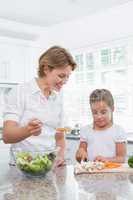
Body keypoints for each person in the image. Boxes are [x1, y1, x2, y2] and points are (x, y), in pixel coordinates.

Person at [3, 45, 77, 167]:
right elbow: (7, 135)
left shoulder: (57, 98)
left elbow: (59, 136)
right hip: (22, 168)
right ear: (46, 69)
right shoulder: (19, 92)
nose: (65, 81)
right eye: (61, 76)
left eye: (67, 76)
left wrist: (60, 156)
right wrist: (28, 130)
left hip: (48, 166)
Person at [76, 89, 127, 163]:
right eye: (95, 112)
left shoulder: (118, 131)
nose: (99, 116)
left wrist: (107, 160)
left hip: (111, 172)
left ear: (112, 109)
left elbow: (121, 159)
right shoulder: (86, 130)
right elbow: (80, 158)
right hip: (91, 172)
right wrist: (79, 153)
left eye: (103, 112)